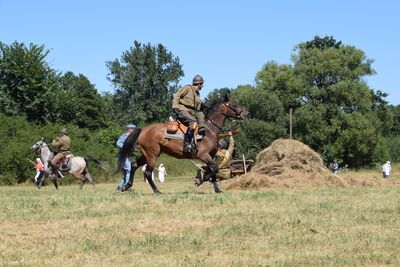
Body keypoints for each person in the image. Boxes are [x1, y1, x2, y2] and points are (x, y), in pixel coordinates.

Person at [172, 74, 206, 152]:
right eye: (202, 85)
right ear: (199, 84)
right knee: (193, 122)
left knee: (201, 115)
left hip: (191, 112)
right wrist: (175, 107)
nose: (202, 87)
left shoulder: (197, 94)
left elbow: (197, 108)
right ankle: (186, 144)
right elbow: (177, 96)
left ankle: (200, 134)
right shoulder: (187, 88)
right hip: (182, 110)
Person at [116, 124, 137, 192]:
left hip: (128, 156)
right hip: (123, 156)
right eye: (133, 129)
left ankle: (119, 188)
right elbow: (118, 143)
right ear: (130, 129)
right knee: (129, 171)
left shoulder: (132, 137)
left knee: (126, 173)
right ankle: (127, 187)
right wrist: (125, 147)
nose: (134, 131)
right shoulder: (124, 136)